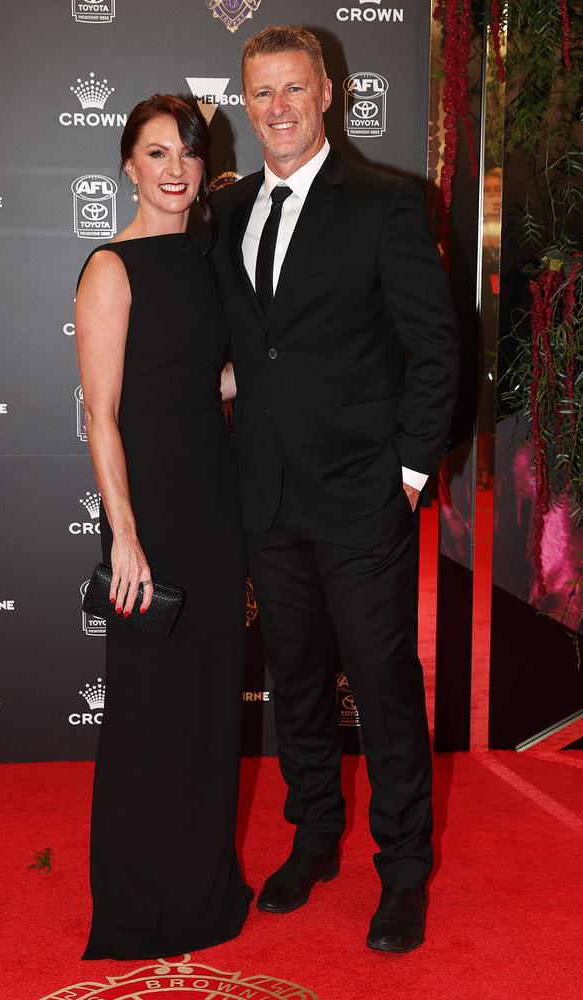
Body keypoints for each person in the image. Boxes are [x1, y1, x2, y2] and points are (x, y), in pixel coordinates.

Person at [210, 25, 459, 953]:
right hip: (268, 495)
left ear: (326, 95)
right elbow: (248, 345)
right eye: (258, 93)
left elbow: (436, 352)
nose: (274, 108)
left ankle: (402, 875)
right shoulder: (229, 211)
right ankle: (313, 838)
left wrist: (402, 474)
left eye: (290, 89)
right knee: (298, 683)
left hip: (361, 497)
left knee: (387, 690)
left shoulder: (387, 205)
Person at [74, 94, 250, 960]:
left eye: (186, 151)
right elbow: (102, 414)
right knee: (148, 710)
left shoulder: (211, 258)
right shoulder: (111, 266)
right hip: (148, 512)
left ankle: (205, 887)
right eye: (155, 153)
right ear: (129, 166)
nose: (174, 168)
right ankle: (140, 900)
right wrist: (126, 539)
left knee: (210, 705)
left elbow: (201, 379)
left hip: (214, 504)